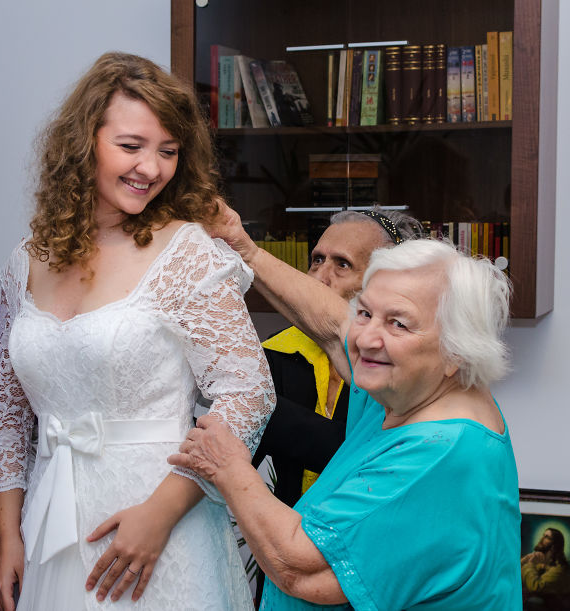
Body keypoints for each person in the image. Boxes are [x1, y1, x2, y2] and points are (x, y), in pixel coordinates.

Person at [0, 52, 275, 611]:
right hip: (50, 525)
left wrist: (162, 513)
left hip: (160, 522)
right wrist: (9, 537)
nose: (151, 167)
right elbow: (9, 416)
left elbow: (249, 394)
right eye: (131, 146)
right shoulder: (25, 262)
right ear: (83, 144)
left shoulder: (186, 251)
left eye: (168, 151)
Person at [171, 210, 522, 609]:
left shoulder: (439, 452)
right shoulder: (415, 383)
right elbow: (334, 325)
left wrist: (228, 468)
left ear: (457, 350)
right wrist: (244, 247)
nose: (368, 337)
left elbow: (298, 568)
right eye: (366, 312)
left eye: (398, 324)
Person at [254, 208, 422, 511]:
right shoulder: (277, 350)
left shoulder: (402, 362)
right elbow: (239, 453)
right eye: (317, 260)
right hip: (288, 543)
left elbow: (364, 455)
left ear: (385, 282)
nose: (319, 278)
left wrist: (256, 405)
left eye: (342, 264)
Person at [521, 527, 570, 607]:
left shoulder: (560, 568)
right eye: (543, 535)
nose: (541, 539)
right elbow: (516, 575)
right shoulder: (543, 562)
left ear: (554, 545)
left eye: (546, 537)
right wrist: (525, 559)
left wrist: (530, 564)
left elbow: (536, 587)